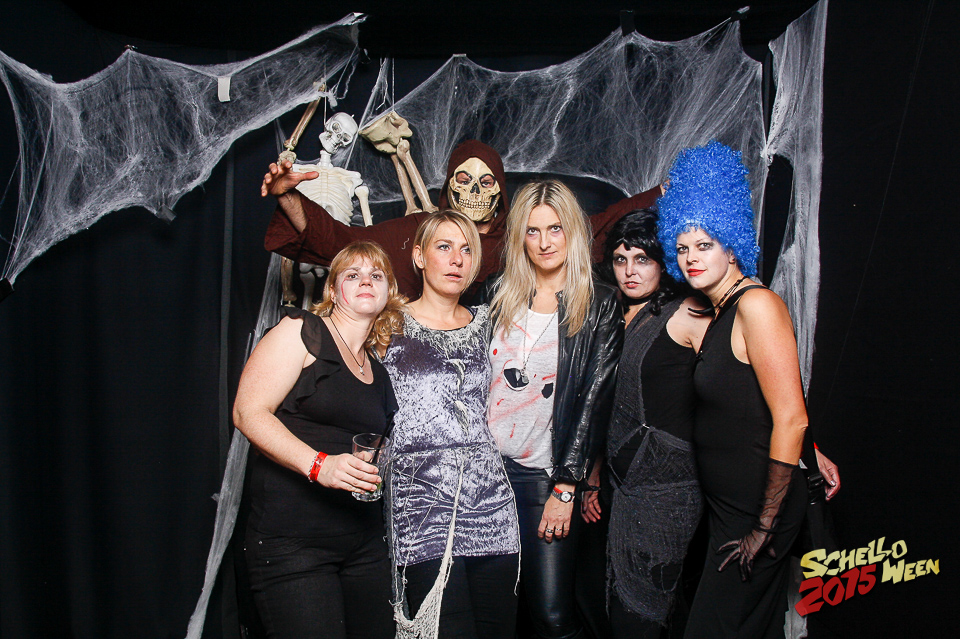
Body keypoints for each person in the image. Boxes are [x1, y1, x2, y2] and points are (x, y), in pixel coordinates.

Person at [656, 141, 817, 638]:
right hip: (729, 510)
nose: (690, 258)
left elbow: (791, 417)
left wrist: (764, 527)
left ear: (731, 244)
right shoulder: (720, 310)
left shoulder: (756, 306)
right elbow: (757, 402)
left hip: (757, 513)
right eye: (682, 247)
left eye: (704, 245)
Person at [233, 241, 406, 639]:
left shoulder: (378, 371)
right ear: (332, 290)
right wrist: (319, 465)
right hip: (293, 546)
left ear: (389, 292)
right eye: (353, 275)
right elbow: (248, 412)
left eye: (376, 275)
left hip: (363, 544)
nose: (366, 281)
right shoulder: (302, 331)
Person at [483, 180, 623, 639]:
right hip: (485, 474)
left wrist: (565, 488)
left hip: (543, 476)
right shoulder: (496, 293)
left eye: (555, 229)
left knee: (552, 615)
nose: (544, 242)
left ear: (573, 233)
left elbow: (595, 401)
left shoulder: (599, 303)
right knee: (502, 611)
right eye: (533, 230)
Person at [260, 139, 662, 298]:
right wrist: (289, 196)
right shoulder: (416, 231)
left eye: (485, 182)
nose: (474, 192)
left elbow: (598, 225)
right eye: (464, 180)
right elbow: (341, 243)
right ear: (449, 186)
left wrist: (666, 192)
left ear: (500, 192)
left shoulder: (522, 238)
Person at [380, 210, 520, 639]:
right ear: (419, 257)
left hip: (490, 499)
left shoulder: (490, 322)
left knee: (498, 630)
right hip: (421, 503)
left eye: (466, 250)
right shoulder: (387, 323)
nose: (457, 259)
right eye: (444, 247)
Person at [592, 209, 712, 639]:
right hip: (619, 485)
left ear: (663, 263)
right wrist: (593, 475)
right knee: (619, 611)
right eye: (621, 259)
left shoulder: (687, 313)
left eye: (642, 259)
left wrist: (805, 445)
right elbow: (603, 406)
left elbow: (741, 384)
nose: (630, 271)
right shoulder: (611, 315)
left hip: (668, 489)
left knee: (645, 616)